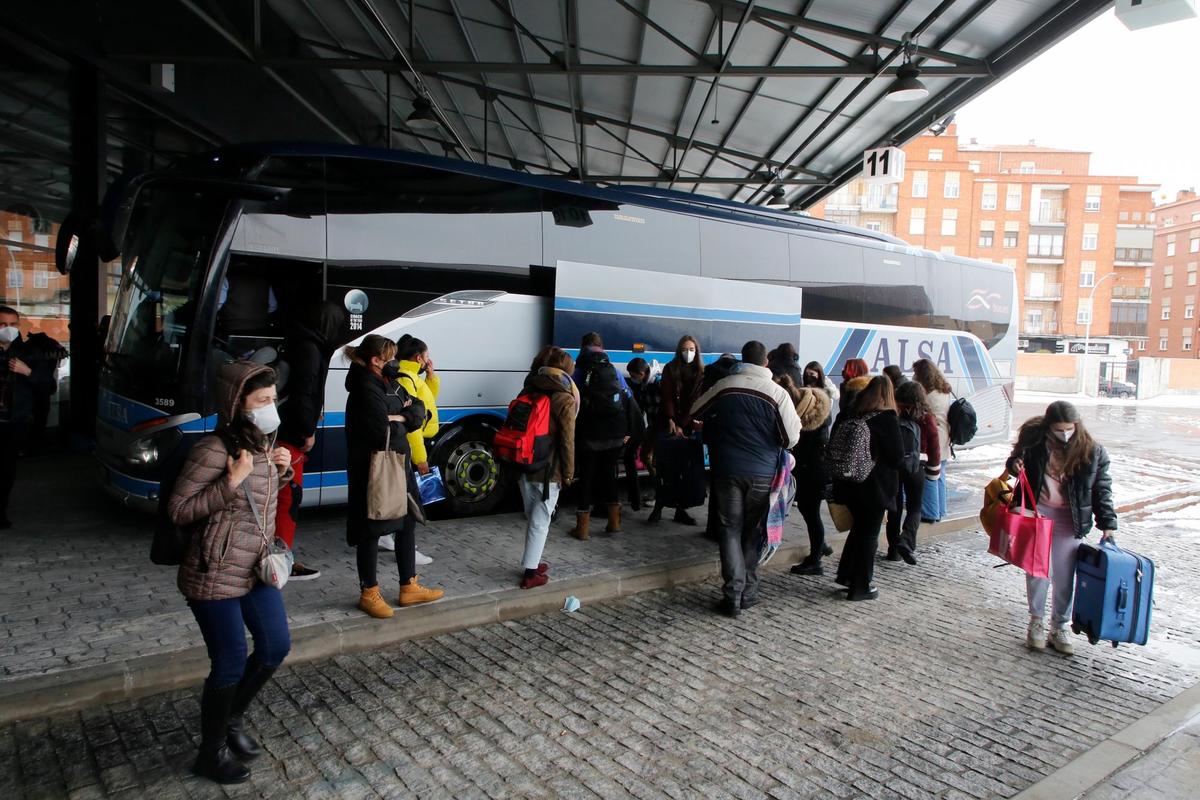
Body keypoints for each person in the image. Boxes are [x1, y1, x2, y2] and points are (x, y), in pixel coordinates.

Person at [167, 361, 293, 784]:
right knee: (230, 663)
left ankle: (232, 716)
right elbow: (180, 510)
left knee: (275, 647)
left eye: (273, 399)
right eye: (261, 401)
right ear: (237, 403)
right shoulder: (213, 449)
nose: (269, 407)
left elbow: (261, 502)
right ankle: (211, 751)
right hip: (214, 571)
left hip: (255, 569)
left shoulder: (262, 441)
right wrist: (230, 482)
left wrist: (282, 469)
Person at [692, 341, 801, 617]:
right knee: (753, 532)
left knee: (729, 530)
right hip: (764, 474)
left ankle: (732, 593)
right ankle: (749, 592)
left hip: (726, 470)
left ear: (743, 359)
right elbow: (791, 438)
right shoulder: (777, 393)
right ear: (766, 363)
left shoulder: (725, 386)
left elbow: (694, 412)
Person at [344, 335, 442, 619]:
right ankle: (369, 592)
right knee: (370, 529)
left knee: (407, 521)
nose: (395, 363)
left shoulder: (388, 381)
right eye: (389, 358)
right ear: (376, 361)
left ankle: (408, 585)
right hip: (373, 466)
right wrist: (403, 418)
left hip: (398, 461)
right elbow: (379, 430)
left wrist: (400, 417)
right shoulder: (365, 387)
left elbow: (419, 411)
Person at [1006, 401, 1117, 654]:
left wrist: (1107, 524)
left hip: (1070, 519)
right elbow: (1014, 459)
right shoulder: (1034, 440)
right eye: (1059, 429)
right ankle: (1036, 622)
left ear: (1077, 425)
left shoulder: (1092, 451)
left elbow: (1102, 489)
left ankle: (1059, 626)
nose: (1065, 433)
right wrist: (1014, 465)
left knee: (1065, 576)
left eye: (1069, 428)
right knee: (1037, 571)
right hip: (1037, 514)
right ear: (1049, 426)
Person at [275, 300, 346, 581]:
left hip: (281, 431)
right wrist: (307, 431)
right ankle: (280, 561)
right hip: (291, 436)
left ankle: (277, 555)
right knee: (288, 497)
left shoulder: (297, 340)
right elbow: (304, 394)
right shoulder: (310, 349)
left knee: (280, 497)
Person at [832, 376, 903, 601]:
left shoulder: (848, 413)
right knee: (869, 535)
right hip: (875, 487)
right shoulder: (886, 419)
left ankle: (847, 576)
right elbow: (896, 457)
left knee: (859, 530)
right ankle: (861, 585)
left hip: (848, 483)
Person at [516, 346, 577, 588]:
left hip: (523, 463)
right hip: (548, 470)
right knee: (541, 521)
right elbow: (567, 440)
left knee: (533, 517)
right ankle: (531, 573)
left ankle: (533, 561)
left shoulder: (529, 388)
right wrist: (569, 473)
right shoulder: (564, 397)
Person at [569, 332, 639, 539]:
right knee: (610, 475)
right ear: (602, 347)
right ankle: (614, 523)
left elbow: (571, 399)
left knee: (587, 477)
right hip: (615, 433)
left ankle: (582, 529)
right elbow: (629, 397)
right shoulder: (613, 371)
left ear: (583, 347)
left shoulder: (578, 371)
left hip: (589, 433)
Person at [0, 306, 56, 528]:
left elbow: (48, 386)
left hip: (13, 422)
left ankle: (1, 512)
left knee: (5, 470)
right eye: (3, 325)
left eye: (13, 325)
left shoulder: (29, 353)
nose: (9, 329)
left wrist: (29, 372)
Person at [388, 335, 439, 565]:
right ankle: (406, 548)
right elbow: (412, 426)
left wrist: (430, 376)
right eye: (426, 356)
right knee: (409, 500)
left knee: (399, 496)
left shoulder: (411, 377)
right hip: (408, 447)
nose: (429, 360)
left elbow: (427, 402)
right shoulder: (406, 380)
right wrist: (421, 458)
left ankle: (386, 536)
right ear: (419, 357)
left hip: (408, 446)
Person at [648, 335, 705, 525]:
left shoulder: (700, 372)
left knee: (685, 471)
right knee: (665, 468)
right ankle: (659, 505)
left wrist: (682, 423)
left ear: (696, 351)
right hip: (668, 423)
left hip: (689, 425)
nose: (688, 353)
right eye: (684, 349)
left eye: (691, 349)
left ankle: (681, 509)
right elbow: (667, 396)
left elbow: (696, 401)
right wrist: (672, 419)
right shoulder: (670, 369)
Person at [885, 381, 938, 565]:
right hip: (917, 467)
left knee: (895, 507)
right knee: (915, 507)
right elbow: (934, 446)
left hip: (895, 465)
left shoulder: (894, 412)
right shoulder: (926, 417)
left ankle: (893, 550)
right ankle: (906, 542)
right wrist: (933, 471)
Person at [787, 381, 834, 576]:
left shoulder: (810, 426)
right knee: (811, 514)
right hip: (814, 474)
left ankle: (816, 558)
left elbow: (803, 451)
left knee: (812, 515)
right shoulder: (820, 418)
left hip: (811, 476)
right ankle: (819, 547)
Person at [912, 358, 953, 523]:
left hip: (934, 439)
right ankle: (940, 510)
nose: (914, 375)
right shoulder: (943, 390)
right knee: (940, 475)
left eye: (916, 373)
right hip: (944, 438)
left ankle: (930, 512)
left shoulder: (929, 396)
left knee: (930, 476)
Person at [623, 357, 651, 511]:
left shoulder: (648, 386)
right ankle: (634, 499)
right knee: (631, 459)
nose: (632, 379)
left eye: (632, 375)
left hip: (638, 429)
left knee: (629, 459)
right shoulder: (647, 384)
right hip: (640, 429)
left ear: (641, 374)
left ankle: (635, 499)